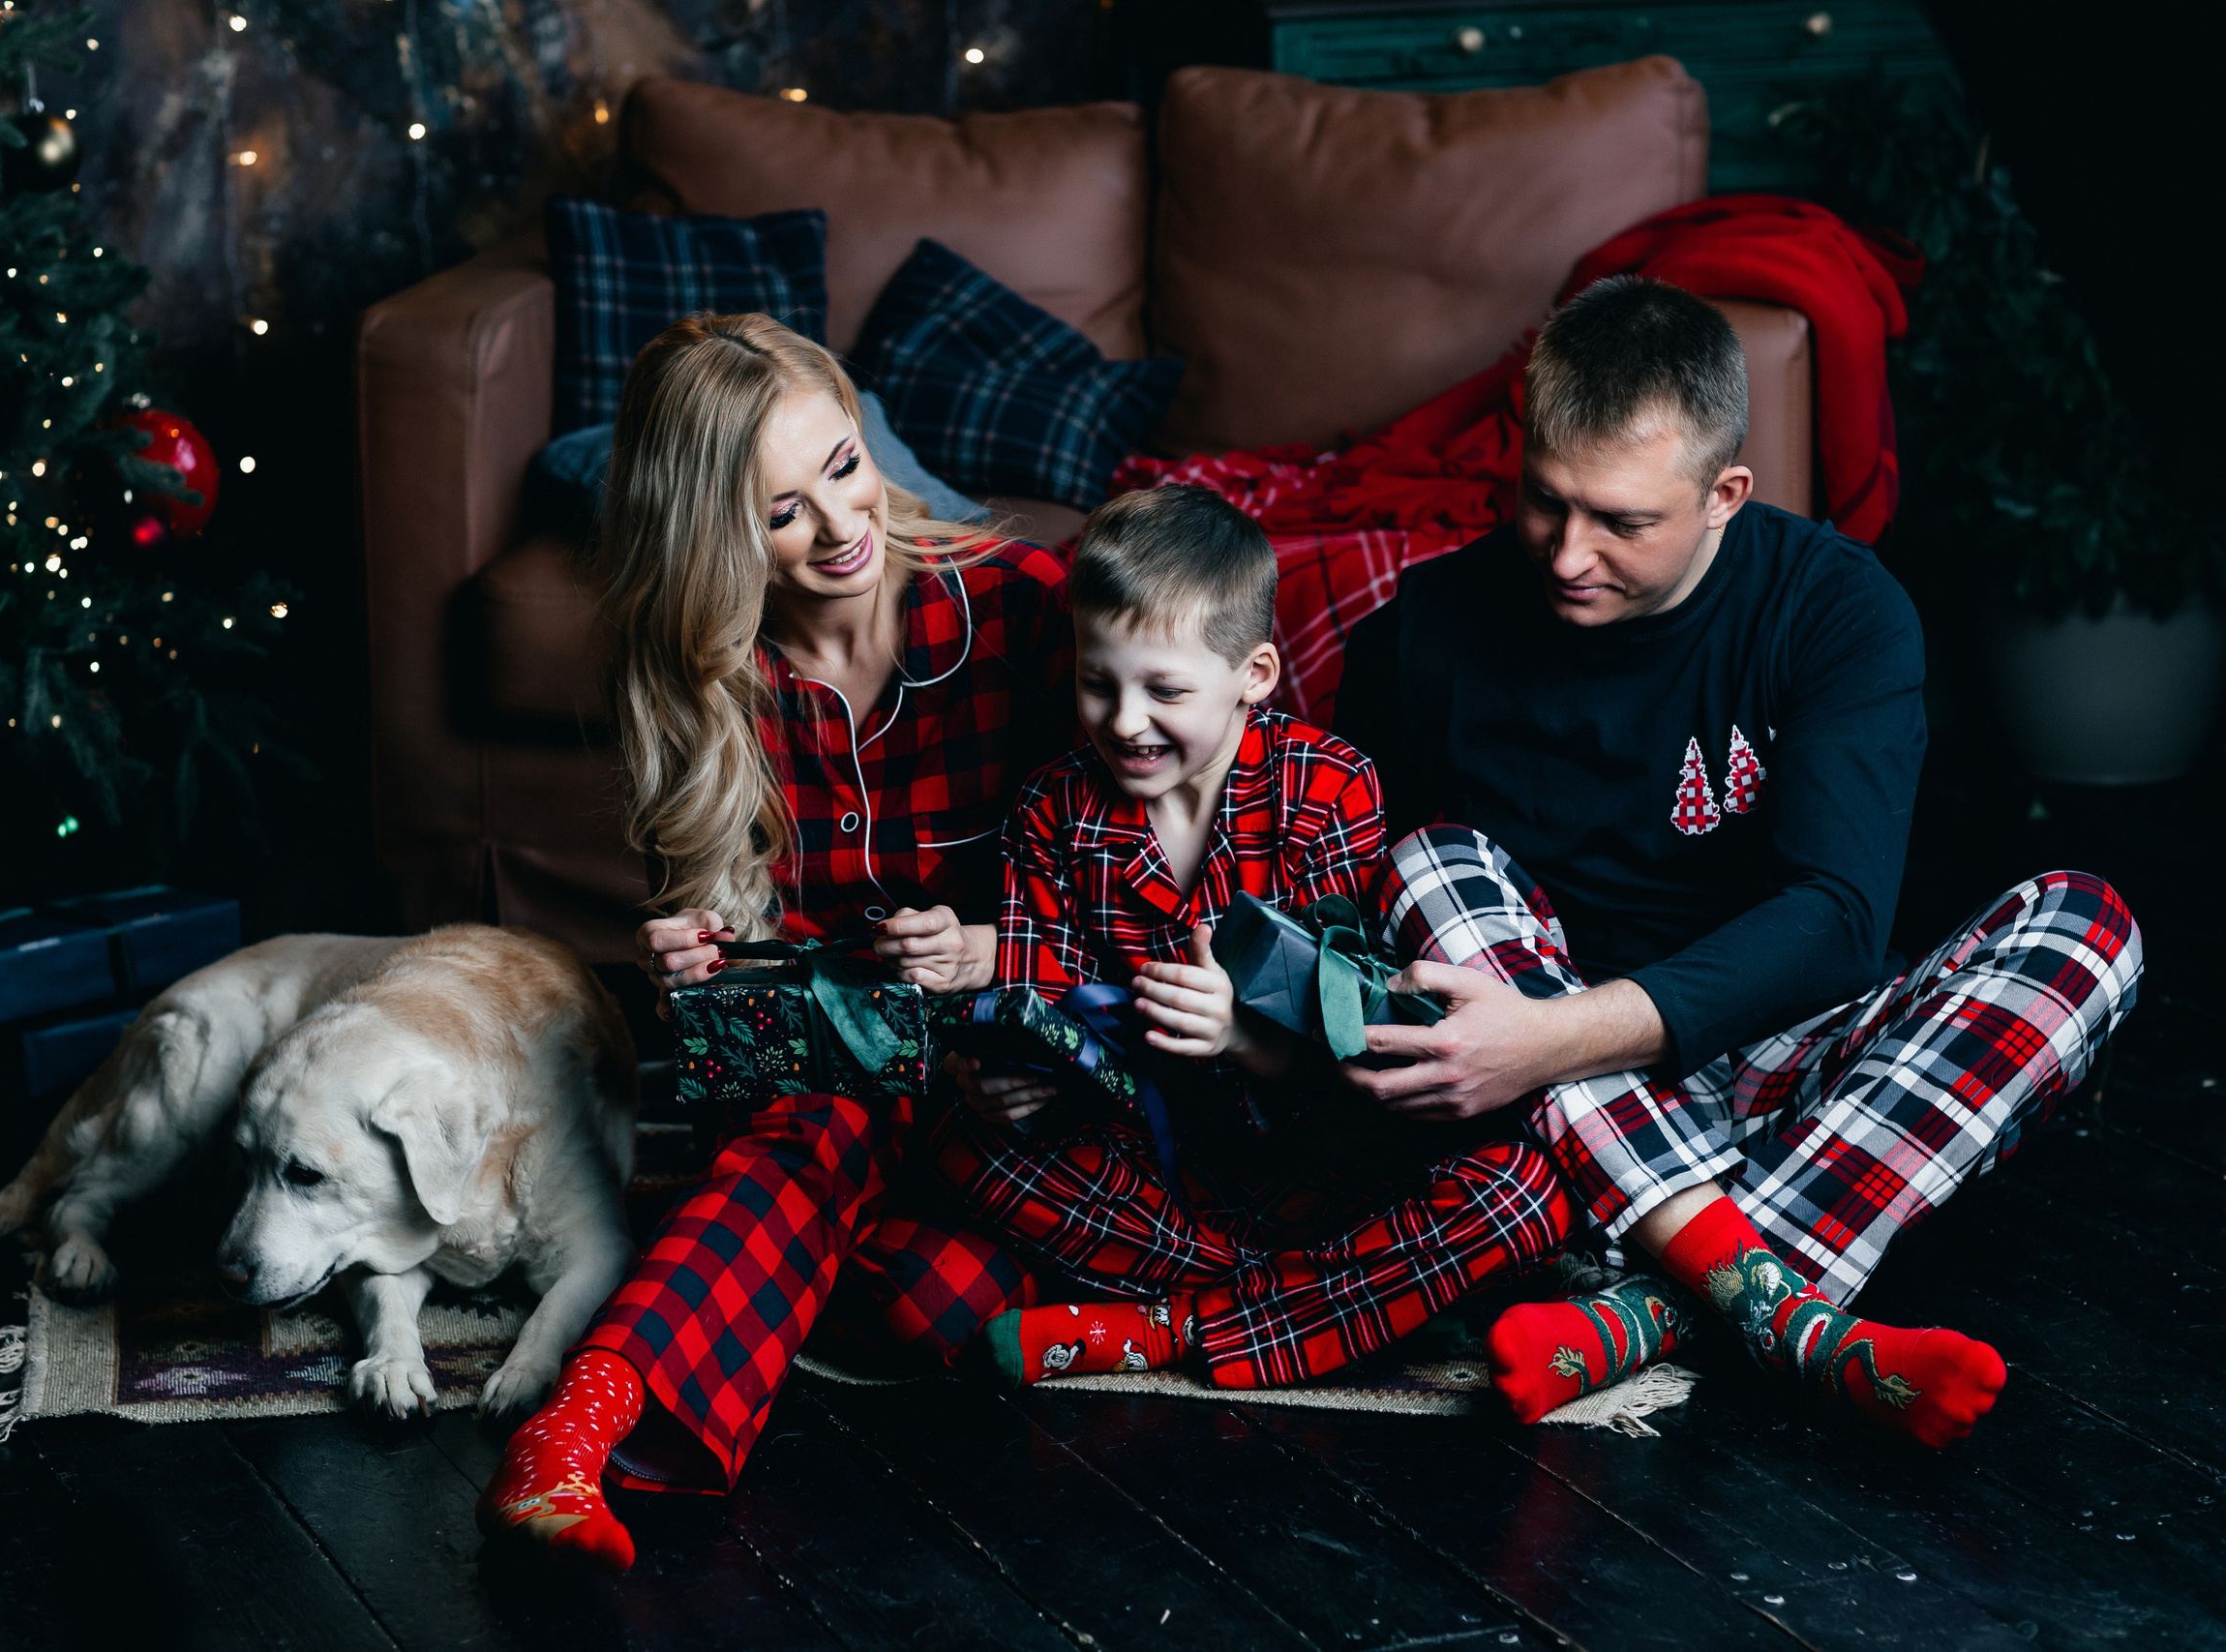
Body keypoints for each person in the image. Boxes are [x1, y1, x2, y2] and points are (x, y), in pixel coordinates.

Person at [1334, 276, 2143, 1448]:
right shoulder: (1425, 633)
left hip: (1778, 1063)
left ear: (1725, 494)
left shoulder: (1835, 610)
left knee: (2087, 926)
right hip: (1547, 1110)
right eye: (1544, 502)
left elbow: (1835, 923)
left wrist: (1552, 1038)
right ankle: (1791, 1311)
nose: (1567, 554)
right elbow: (1352, 913)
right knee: (1428, 862)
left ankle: (1648, 1310)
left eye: (1620, 523)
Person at [475, 313, 1074, 1569]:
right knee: (866, 1184)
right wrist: (700, 976)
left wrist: (995, 965)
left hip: (1016, 1061)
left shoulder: (1025, 609)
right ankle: (579, 1427)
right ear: (714, 539)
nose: (843, 526)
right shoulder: (702, 680)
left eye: (844, 466)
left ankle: (639, 1368)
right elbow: (744, 1035)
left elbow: (1129, 883)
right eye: (781, 512)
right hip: (821, 1089)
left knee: (920, 1283)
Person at [940, 485, 1572, 1390]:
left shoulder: (1329, 786)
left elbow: (1361, 1061)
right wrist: (1018, 1078)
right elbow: (1049, 1020)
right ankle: (1345, 1308)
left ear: (1256, 674)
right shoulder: (1054, 811)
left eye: (1165, 690)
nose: (1124, 720)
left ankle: (1173, 1328)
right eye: (1096, 682)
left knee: (1521, 1193)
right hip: (1153, 1178)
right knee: (960, 1145)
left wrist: (1237, 1035)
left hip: (1326, 1162)